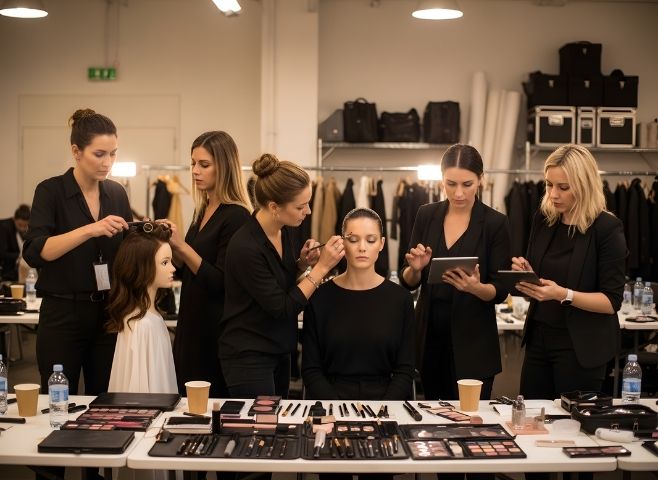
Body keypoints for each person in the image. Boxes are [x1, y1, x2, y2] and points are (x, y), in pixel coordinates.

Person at [23, 108, 132, 395]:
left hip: (108, 312)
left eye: (113, 154)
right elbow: (35, 252)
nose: (107, 162)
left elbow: (126, 251)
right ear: (76, 151)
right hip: (63, 314)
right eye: (99, 154)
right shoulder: (51, 192)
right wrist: (90, 229)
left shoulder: (117, 194)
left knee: (106, 399)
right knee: (58, 398)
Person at [219, 153, 343, 399]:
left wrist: (301, 265)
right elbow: (283, 307)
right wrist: (321, 268)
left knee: (278, 419)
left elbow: (278, 281)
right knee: (259, 423)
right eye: (300, 206)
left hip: (278, 348)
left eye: (308, 203)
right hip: (249, 355)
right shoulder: (245, 247)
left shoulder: (284, 230)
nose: (308, 211)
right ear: (274, 207)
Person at [512, 144, 627, 399]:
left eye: (563, 187)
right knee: (532, 416)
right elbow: (542, 277)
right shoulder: (544, 220)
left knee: (571, 421)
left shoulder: (606, 228)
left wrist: (563, 294)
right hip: (539, 339)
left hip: (581, 346)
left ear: (584, 185)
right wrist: (527, 273)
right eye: (549, 185)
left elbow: (611, 301)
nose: (553, 194)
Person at [400, 143, 511, 402]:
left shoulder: (495, 223)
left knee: (472, 418)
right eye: (450, 184)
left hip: (474, 341)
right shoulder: (426, 214)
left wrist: (476, 288)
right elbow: (408, 280)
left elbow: (501, 289)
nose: (458, 193)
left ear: (481, 180)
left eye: (467, 184)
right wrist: (415, 270)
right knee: (434, 416)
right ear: (441, 179)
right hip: (430, 338)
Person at [168, 131, 251, 399]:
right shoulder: (202, 209)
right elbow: (189, 270)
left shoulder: (236, 216)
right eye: (193, 163)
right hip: (191, 322)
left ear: (224, 167)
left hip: (213, 330)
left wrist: (182, 246)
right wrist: (169, 245)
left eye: (204, 164)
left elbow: (220, 282)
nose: (195, 171)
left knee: (207, 406)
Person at [302, 207, 415, 401]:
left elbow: (405, 371)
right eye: (353, 240)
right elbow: (311, 370)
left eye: (371, 240)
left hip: (386, 402)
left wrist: (384, 409)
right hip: (331, 402)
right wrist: (336, 408)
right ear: (342, 243)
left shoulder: (400, 299)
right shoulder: (319, 298)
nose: (362, 247)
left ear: (381, 244)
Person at [106, 222, 177, 393]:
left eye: (171, 261)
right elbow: (138, 394)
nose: (173, 268)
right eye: (165, 263)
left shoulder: (153, 318)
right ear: (143, 267)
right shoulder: (141, 325)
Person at [0, 204, 30, 282]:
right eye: (19, 225)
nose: (22, 228)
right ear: (14, 219)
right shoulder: (4, 227)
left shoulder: (25, 230)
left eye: (25, 226)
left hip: (14, 268)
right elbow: (2, 253)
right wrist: (20, 256)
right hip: (5, 269)